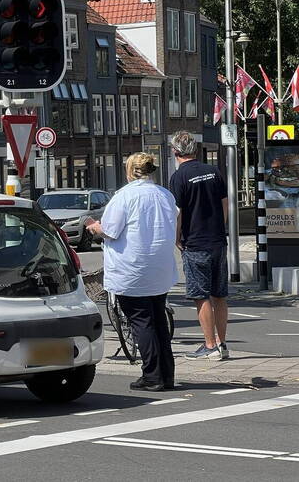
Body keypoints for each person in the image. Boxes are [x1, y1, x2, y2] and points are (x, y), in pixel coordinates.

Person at [87, 152, 179, 391]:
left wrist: (93, 227)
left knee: (141, 321)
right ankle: (166, 375)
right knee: (158, 320)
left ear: (130, 171)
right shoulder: (165, 195)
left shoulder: (124, 196)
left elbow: (110, 230)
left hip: (133, 268)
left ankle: (152, 375)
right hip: (159, 268)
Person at [168, 130, 230, 361]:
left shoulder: (179, 177)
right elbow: (225, 204)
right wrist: (219, 228)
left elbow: (178, 213)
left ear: (175, 151)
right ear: (195, 149)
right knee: (219, 294)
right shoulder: (213, 172)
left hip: (195, 243)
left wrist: (176, 239)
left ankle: (210, 345)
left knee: (201, 296)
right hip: (217, 241)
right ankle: (222, 343)